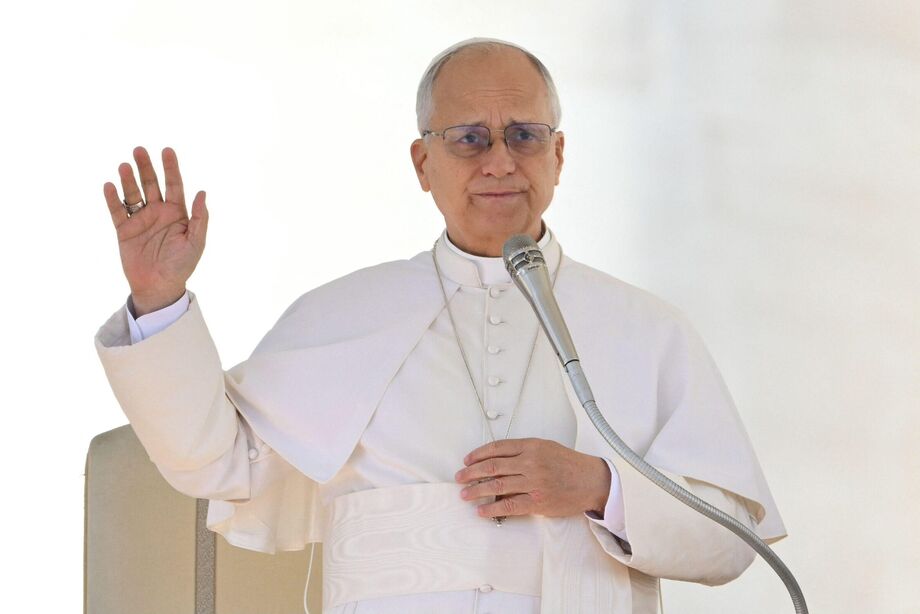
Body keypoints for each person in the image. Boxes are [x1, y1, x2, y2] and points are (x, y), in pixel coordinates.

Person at [96, 38, 786, 613]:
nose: (499, 161)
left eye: (524, 135)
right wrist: (159, 299)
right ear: (423, 162)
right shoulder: (343, 316)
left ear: (559, 156)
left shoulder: (646, 328)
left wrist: (600, 488)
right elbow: (214, 461)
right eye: (468, 139)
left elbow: (731, 542)